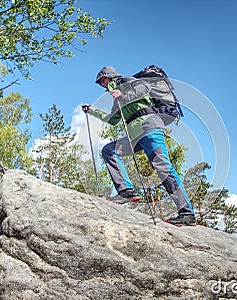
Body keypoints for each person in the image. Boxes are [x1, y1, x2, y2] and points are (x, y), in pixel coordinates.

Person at [83, 66, 195, 226]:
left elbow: (145, 87)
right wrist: (92, 111)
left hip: (150, 128)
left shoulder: (125, 80)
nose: (102, 84)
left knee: (163, 168)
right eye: (100, 82)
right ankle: (127, 191)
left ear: (110, 76)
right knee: (109, 150)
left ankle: (187, 213)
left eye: (103, 80)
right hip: (134, 137)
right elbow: (113, 120)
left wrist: (123, 94)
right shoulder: (116, 97)